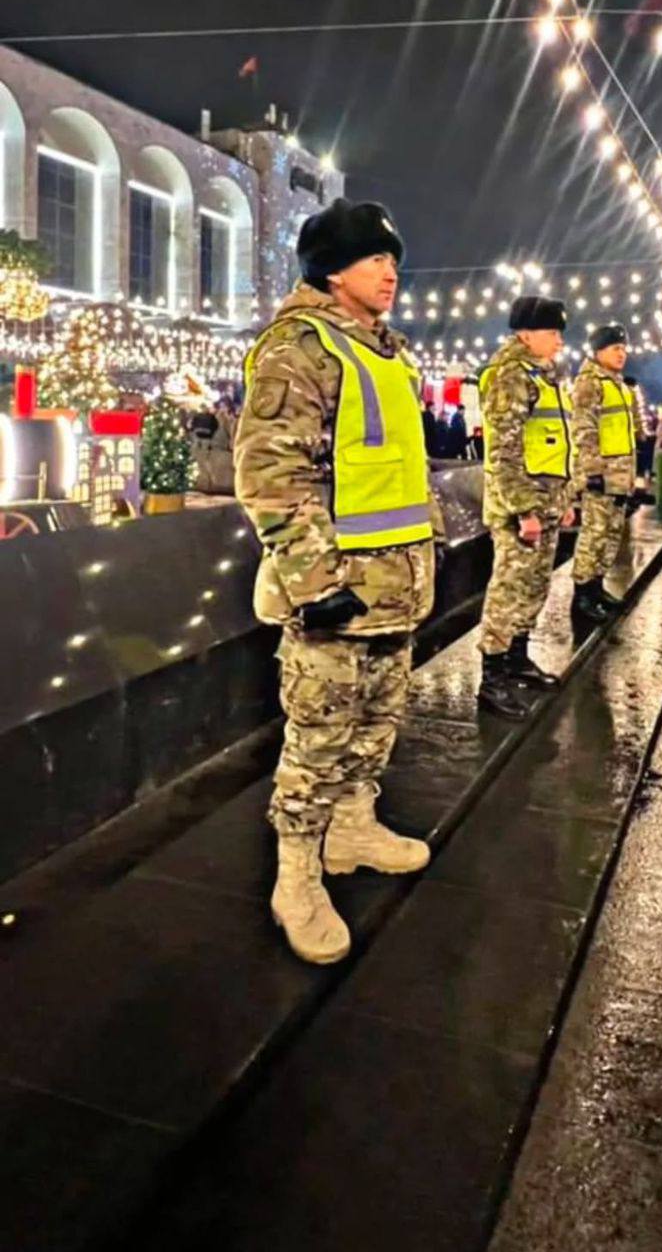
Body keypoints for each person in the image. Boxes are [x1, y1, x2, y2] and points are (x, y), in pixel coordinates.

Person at [235, 198, 437, 966]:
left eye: (393, 261)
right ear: (330, 268)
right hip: (335, 596)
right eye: (374, 259)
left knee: (377, 725)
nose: (390, 272)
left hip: (395, 587)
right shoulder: (299, 348)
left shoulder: (386, 349)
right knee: (317, 736)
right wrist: (317, 582)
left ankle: (352, 831)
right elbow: (272, 477)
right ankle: (296, 877)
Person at [476, 295, 576, 720]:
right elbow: (504, 449)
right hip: (522, 509)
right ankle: (492, 677)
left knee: (534, 589)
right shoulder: (510, 377)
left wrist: (563, 501)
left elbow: (557, 444)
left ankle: (517, 659)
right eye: (552, 332)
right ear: (525, 334)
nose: (558, 341)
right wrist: (524, 510)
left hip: (547, 503)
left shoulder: (545, 376)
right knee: (508, 590)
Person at [570, 323, 639, 621]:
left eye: (624, 348)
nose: (622, 354)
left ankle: (597, 587)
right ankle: (582, 594)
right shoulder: (590, 382)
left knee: (611, 535)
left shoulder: (620, 385)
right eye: (615, 348)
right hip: (601, 476)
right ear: (598, 351)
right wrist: (592, 472)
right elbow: (584, 429)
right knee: (593, 535)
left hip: (620, 477)